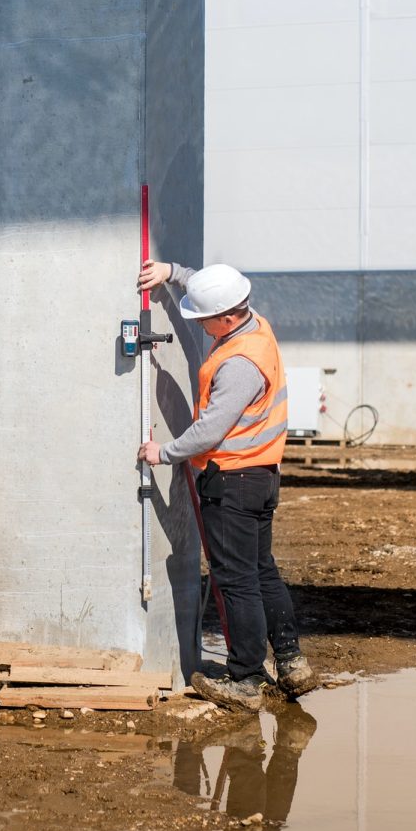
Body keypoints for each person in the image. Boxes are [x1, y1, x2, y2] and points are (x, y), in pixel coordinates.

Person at [136, 259, 315, 711]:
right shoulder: (256, 326)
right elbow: (206, 285)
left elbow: (212, 429)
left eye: (206, 319)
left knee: (236, 581)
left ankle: (247, 679)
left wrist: (166, 452)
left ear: (229, 318)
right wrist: (170, 272)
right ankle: (292, 663)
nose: (201, 324)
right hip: (260, 475)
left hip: (232, 479)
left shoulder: (239, 364)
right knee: (261, 571)